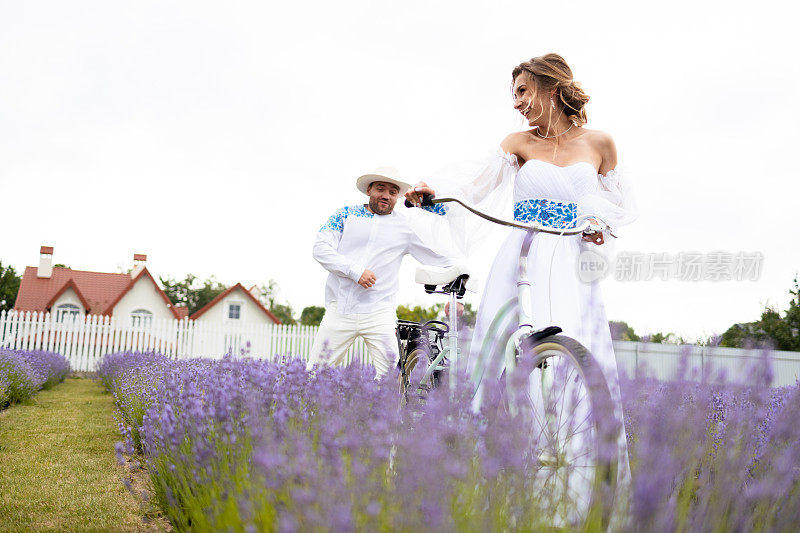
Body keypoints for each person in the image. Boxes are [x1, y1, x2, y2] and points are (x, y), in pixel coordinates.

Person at [405, 53, 638, 504]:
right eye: (514, 95)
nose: (516, 104)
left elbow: (617, 208)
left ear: (551, 88)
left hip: (572, 265)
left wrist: (598, 226)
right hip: (523, 256)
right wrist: (433, 194)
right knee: (501, 357)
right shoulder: (517, 143)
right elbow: (475, 186)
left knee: (574, 358)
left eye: (522, 92)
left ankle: (578, 483)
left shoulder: (600, 144)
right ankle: (486, 480)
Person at [307, 167, 457, 379]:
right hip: (339, 309)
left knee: (391, 378)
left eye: (393, 192)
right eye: (380, 189)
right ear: (369, 190)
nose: (386, 195)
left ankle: (380, 413)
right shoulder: (345, 215)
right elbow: (320, 248)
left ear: (397, 196)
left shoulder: (405, 227)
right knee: (314, 376)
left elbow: (439, 255)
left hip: (379, 312)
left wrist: (461, 282)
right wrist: (355, 271)